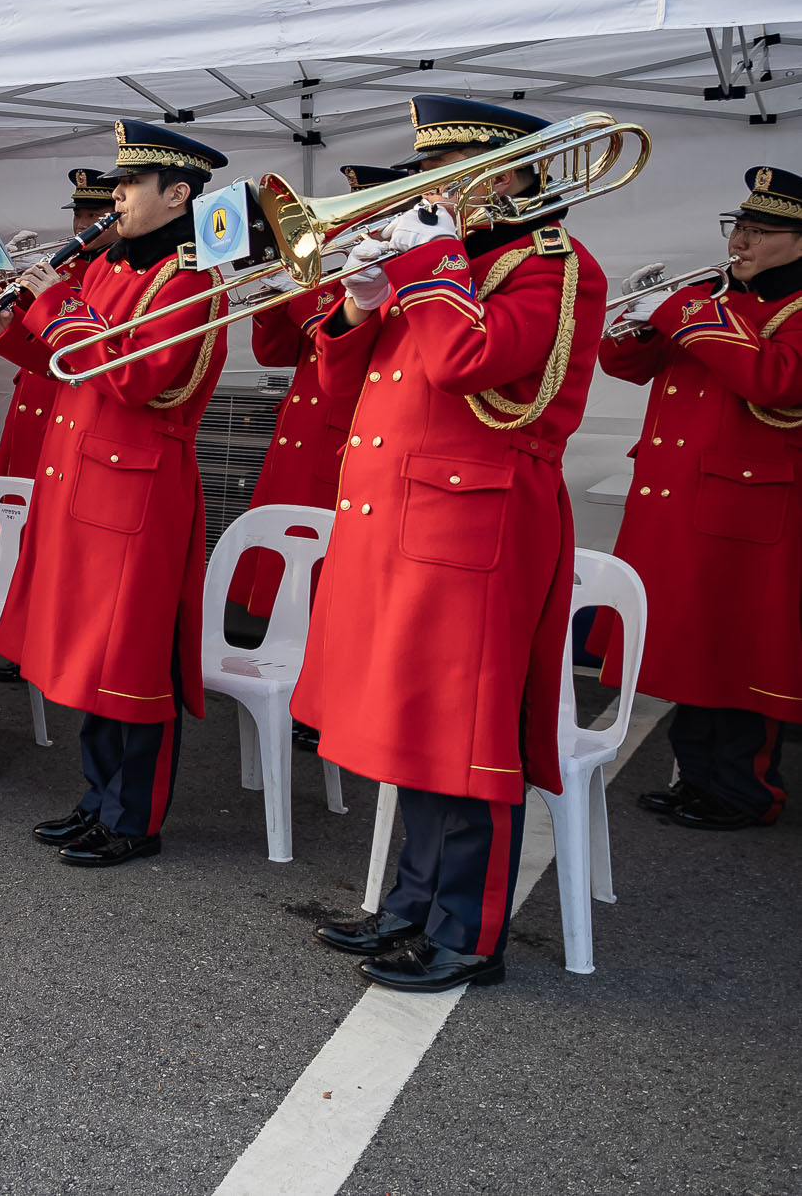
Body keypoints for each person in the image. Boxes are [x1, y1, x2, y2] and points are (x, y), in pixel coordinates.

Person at [295, 95, 606, 991]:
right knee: (412, 727)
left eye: (452, 179)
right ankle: (407, 906)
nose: (435, 195)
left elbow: (468, 365)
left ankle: (467, 933)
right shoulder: (451, 266)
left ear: (509, 175)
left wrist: (427, 271)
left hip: (476, 529)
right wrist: (359, 302)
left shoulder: (551, 265)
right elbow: (340, 379)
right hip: (405, 525)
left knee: (468, 738)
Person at [0, 123, 229, 866]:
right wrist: (11, 324)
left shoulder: (191, 278)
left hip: (136, 492)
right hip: (84, 482)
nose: (113, 197)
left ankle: (133, 817)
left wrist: (55, 304)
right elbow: (67, 362)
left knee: (134, 663)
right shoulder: (111, 267)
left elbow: (138, 378)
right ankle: (97, 798)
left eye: (129, 185)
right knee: (94, 658)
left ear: (177, 193)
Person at [597, 164, 802, 831]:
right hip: (682, 503)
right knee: (691, 651)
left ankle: (744, 791)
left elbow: (776, 380)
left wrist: (686, 312)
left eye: (758, 232)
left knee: (739, 655)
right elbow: (628, 368)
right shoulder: (713, 297)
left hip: (748, 514)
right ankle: (697, 777)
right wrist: (635, 324)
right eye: (737, 227)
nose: (739, 242)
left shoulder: (789, 310)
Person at [224, 163, 398, 640]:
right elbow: (273, 355)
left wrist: (301, 298)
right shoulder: (335, 270)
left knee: (325, 588)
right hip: (299, 438)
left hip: (342, 440)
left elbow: (345, 347)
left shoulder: (395, 274)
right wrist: (270, 303)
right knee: (283, 580)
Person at [0, 170, 117, 482]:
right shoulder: (62, 265)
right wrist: (4, 283)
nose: (83, 225)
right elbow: (28, 327)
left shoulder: (116, 271)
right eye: (78, 215)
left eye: (94, 215)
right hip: (35, 383)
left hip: (72, 386)